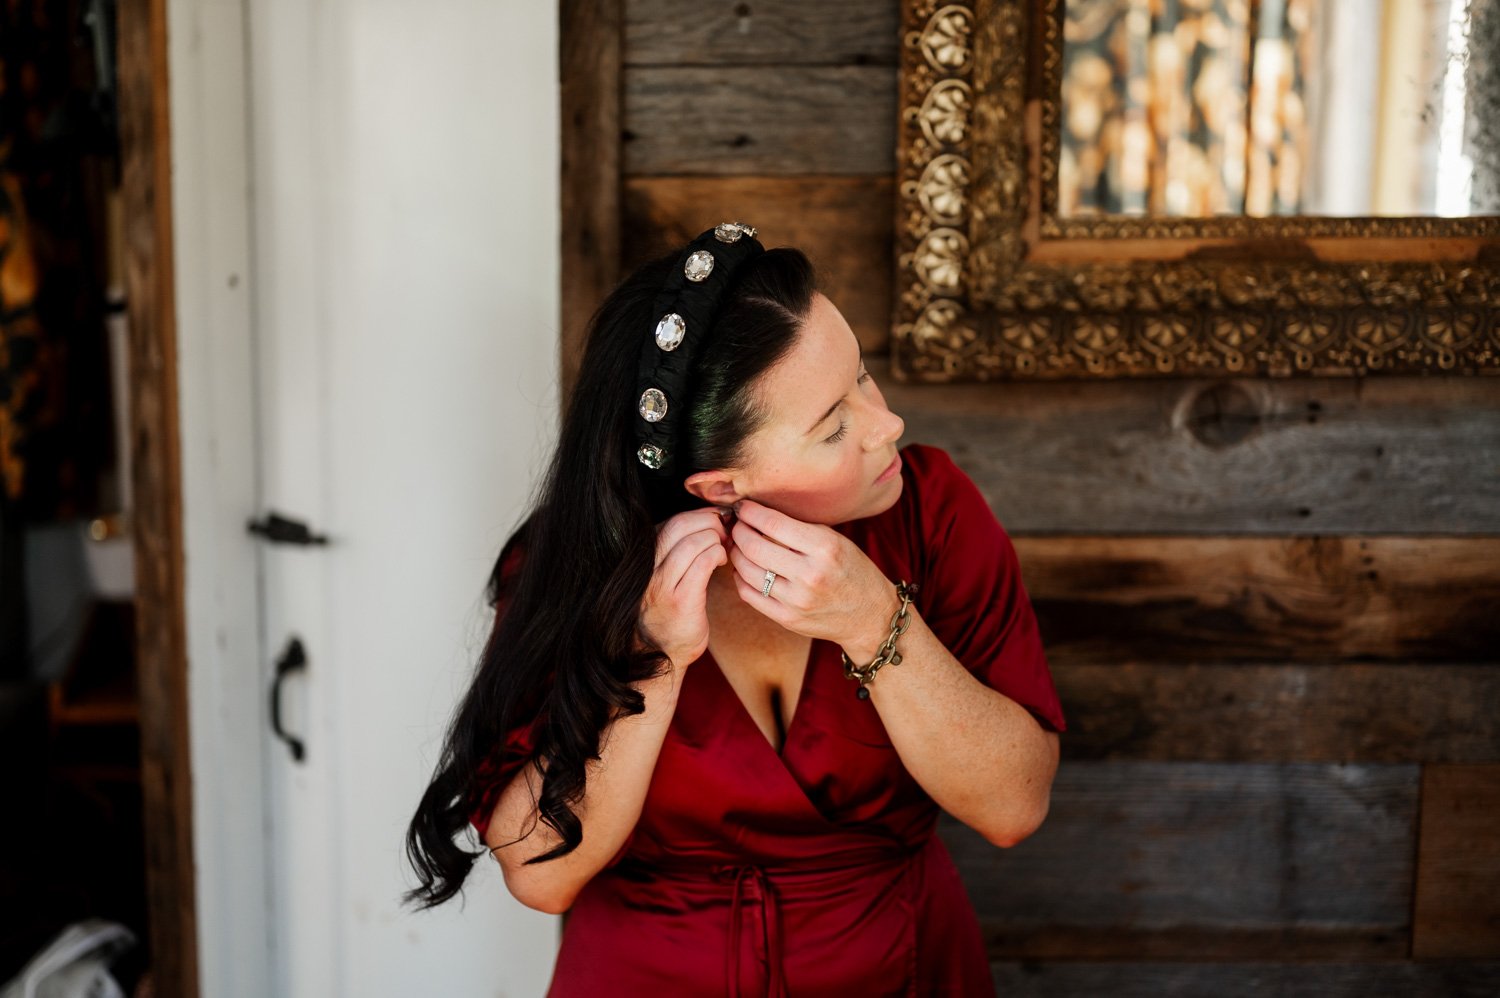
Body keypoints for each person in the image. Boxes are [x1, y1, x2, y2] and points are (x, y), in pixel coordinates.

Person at [403, 222, 1066, 996]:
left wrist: (874, 620)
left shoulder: (932, 512)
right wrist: (651, 661)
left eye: (864, 377)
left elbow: (1014, 806)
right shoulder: (574, 565)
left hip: (903, 967)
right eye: (834, 427)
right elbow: (541, 876)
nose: (887, 426)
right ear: (721, 485)